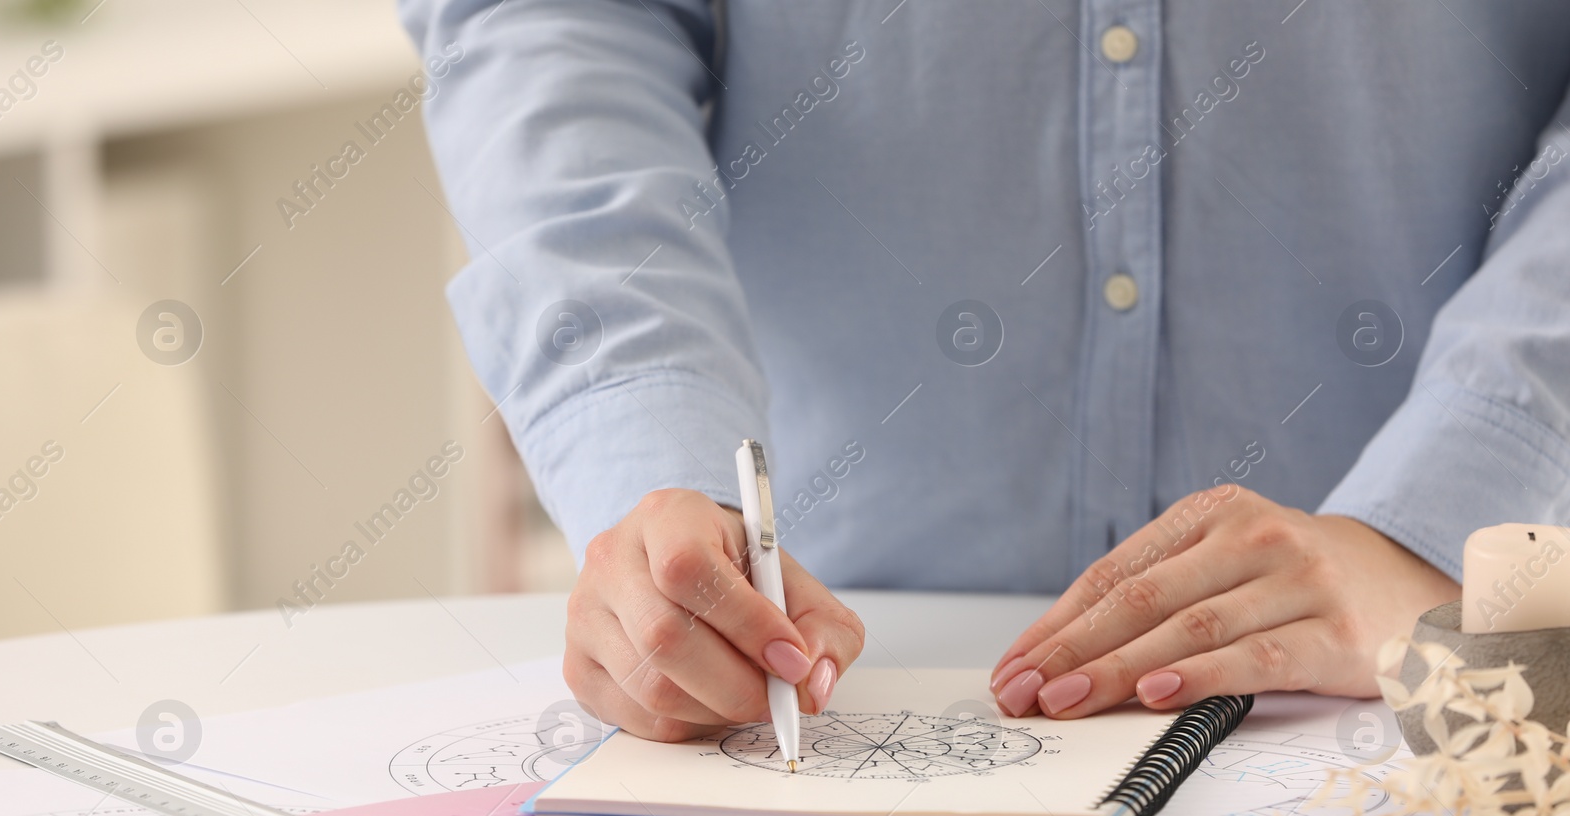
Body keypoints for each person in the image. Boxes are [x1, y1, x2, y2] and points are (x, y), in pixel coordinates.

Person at [401, 1, 1570, 739]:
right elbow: (550, 25)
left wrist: (1440, 513)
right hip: (829, 645)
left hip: (1431, 659)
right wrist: (648, 448)